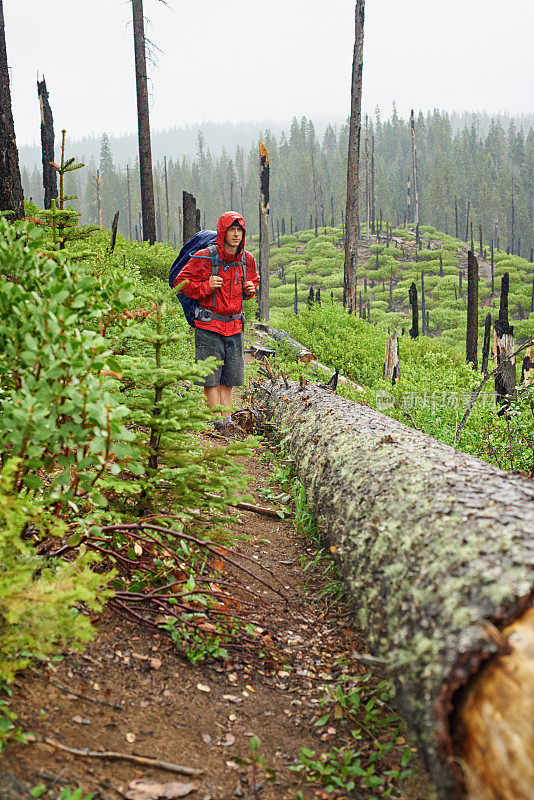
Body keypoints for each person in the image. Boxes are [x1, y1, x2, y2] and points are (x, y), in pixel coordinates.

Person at [176, 211, 259, 433]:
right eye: (231, 230)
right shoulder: (205, 256)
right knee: (210, 378)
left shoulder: (246, 259)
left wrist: (250, 290)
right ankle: (218, 423)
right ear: (222, 232)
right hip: (209, 325)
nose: (236, 235)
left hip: (234, 326)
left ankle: (227, 421)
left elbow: (252, 281)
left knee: (230, 378)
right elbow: (181, 283)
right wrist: (205, 286)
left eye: (239, 230)